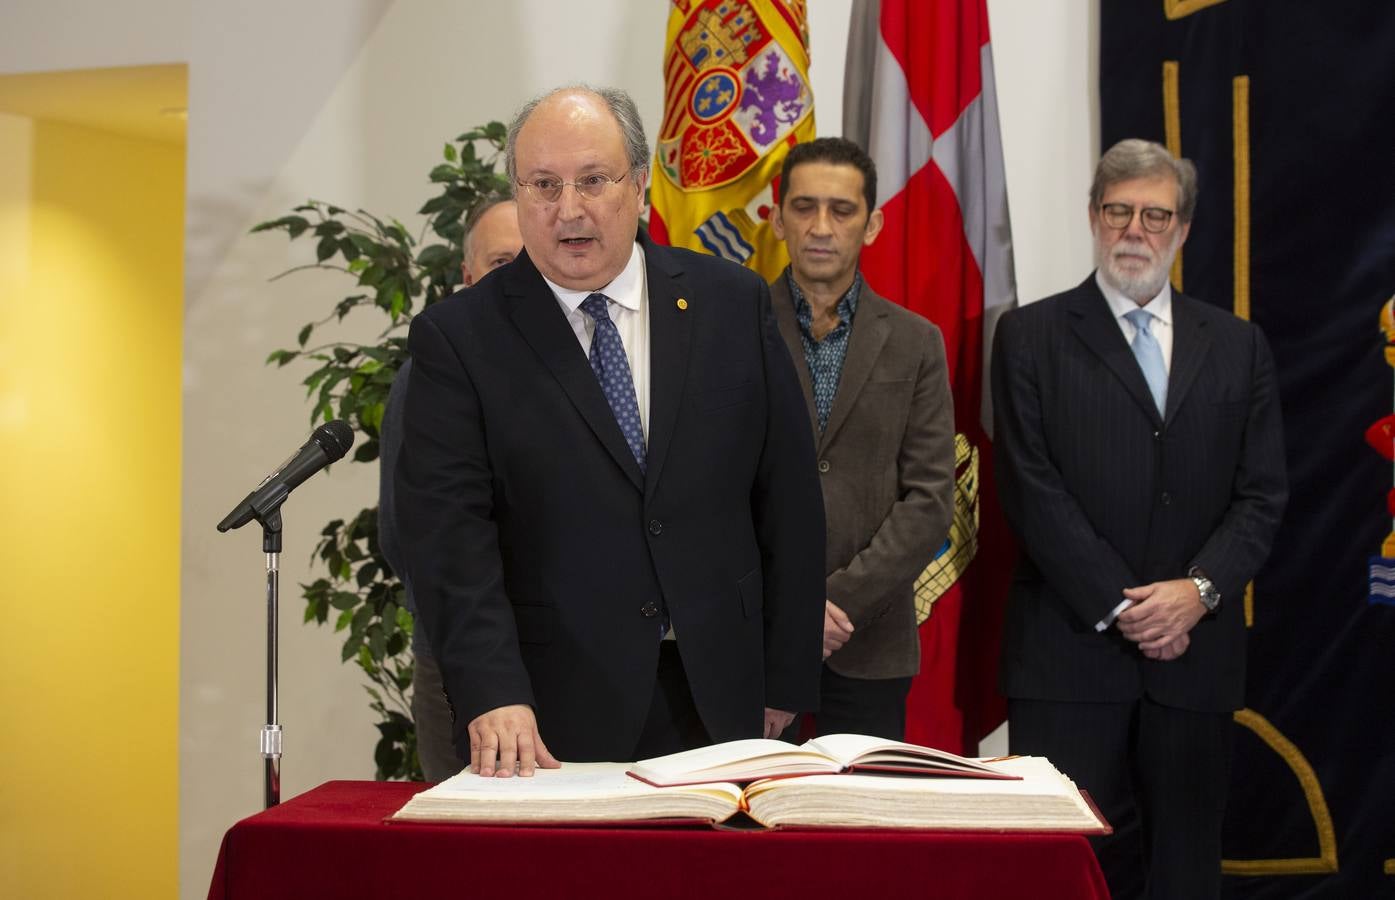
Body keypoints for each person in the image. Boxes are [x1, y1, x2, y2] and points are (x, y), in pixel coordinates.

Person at [394, 85, 826, 778]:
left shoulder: (730, 302)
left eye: (593, 180)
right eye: (543, 185)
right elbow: (449, 538)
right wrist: (493, 691)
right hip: (548, 710)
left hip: (722, 692)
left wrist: (786, 675)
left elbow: (788, 501)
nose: (569, 209)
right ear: (517, 191)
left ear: (639, 184)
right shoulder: (460, 338)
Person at [991, 138, 1287, 899]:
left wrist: (1197, 592)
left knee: (1185, 872)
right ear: (1093, 217)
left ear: (1181, 230)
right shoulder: (1029, 335)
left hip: (1194, 658)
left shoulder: (1238, 345)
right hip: (1067, 655)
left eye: (1155, 216)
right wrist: (1124, 607)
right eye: (1118, 211)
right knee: (1061, 873)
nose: (1135, 230)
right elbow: (1028, 486)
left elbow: (1261, 495)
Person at [768, 137, 954, 740]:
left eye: (842, 210)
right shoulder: (733, 329)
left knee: (862, 799)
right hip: (760, 636)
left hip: (871, 639)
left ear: (872, 224)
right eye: (804, 207)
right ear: (777, 218)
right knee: (755, 800)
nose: (821, 227)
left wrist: (841, 602)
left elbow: (930, 499)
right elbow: (711, 486)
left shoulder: (916, 342)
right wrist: (791, 610)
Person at [378, 194, 522, 781]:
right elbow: (404, 534)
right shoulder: (431, 372)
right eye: (500, 262)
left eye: (530, 260)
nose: (517, 277)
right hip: (458, 663)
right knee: (470, 833)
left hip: (573, 661)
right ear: (467, 276)